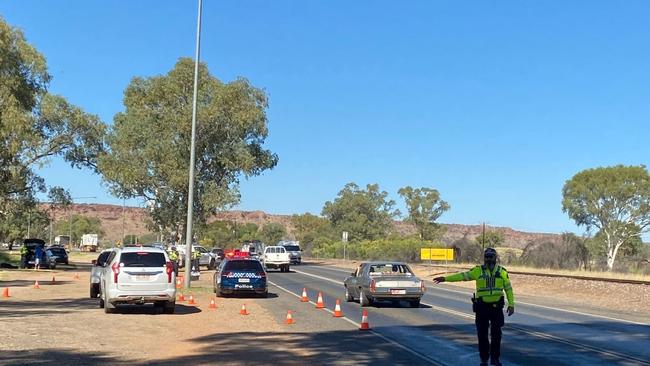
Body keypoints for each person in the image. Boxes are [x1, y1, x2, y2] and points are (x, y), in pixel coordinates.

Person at [433, 248, 515, 366]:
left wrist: (511, 304)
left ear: (495, 258)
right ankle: (484, 359)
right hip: (482, 308)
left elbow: (508, 289)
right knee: (482, 335)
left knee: (496, 335)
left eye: (491, 256)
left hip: (496, 308)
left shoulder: (502, 272)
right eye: (486, 256)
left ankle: (495, 359)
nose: (489, 259)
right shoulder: (478, 271)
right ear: (484, 258)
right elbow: (462, 276)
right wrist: (445, 278)